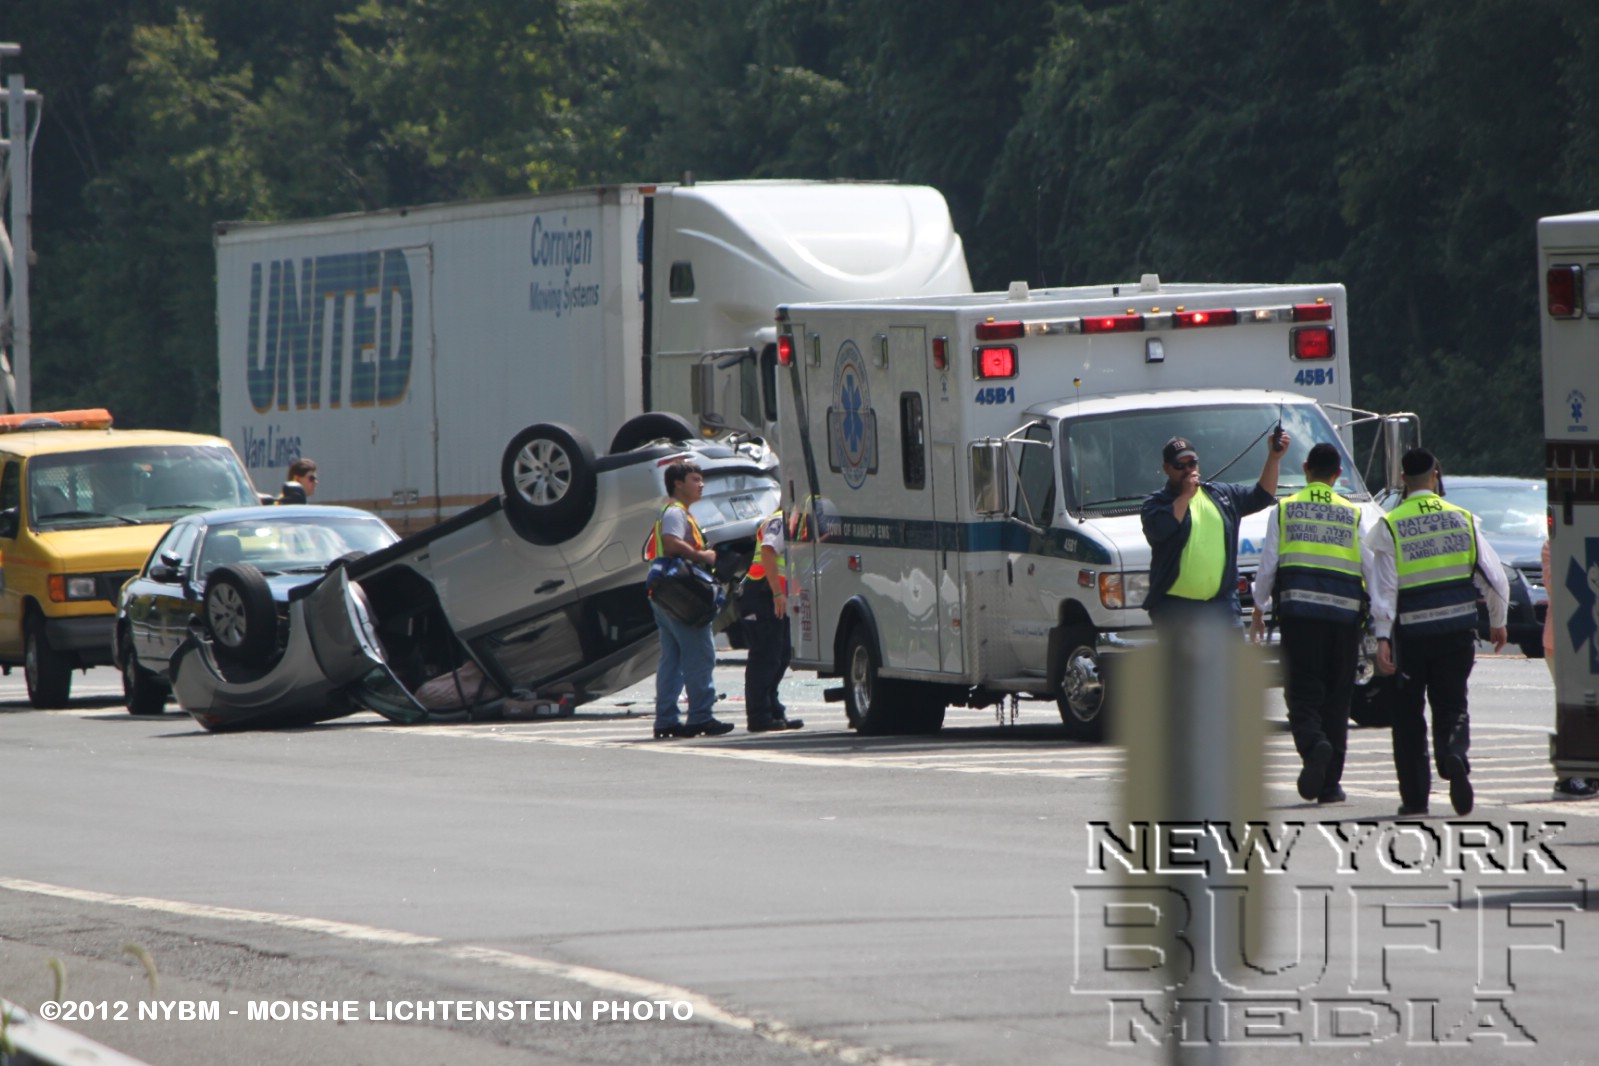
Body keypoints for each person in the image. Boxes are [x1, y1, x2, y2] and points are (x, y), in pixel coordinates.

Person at [1371, 447, 1508, 817]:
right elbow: (1495, 578)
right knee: (1451, 703)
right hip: (1457, 633)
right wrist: (1497, 621)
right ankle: (1453, 756)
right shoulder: (1463, 518)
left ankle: (1415, 799)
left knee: (1408, 715)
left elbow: (1384, 589)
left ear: (1403, 479)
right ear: (1436, 475)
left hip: (1411, 637)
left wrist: (1382, 637)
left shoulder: (1389, 524)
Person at [1250, 442, 1379, 805]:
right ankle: (1330, 786)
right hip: (1344, 622)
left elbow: (1268, 565)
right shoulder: (1353, 514)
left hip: (1300, 619)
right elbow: (1371, 568)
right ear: (1338, 475)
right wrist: (1383, 620)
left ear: (1306, 469)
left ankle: (1313, 744)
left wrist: (1259, 609)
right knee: (1338, 699)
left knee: (1302, 695)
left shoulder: (1285, 510)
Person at [1141, 428, 1290, 627]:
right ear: (1167, 468)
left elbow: (1262, 495)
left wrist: (1274, 458)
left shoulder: (1221, 495)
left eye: (1192, 463)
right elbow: (1160, 529)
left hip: (1222, 607)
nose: (1188, 470)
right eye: (1180, 465)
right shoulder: (1156, 503)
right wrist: (1186, 495)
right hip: (1176, 610)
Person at [646, 461, 734, 739]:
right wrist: (704, 556)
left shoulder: (677, 512)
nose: (701, 484)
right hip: (679, 593)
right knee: (700, 654)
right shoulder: (675, 512)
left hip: (664, 591)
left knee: (671, 658)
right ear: (678, 484)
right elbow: (671, 542)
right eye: (695, 479)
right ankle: (700, 717)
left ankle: (667, 720)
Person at [738, 508, 803, 732]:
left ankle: (773, 710)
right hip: (762, 595)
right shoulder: (779, 521)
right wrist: (777, 592)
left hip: (774, 597)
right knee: (765, 657)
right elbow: (768, 551)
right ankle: (759, 717)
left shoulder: (793, 521)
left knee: (780, 655)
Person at [1545, 538, 1598, 797]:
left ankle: (1587, 773)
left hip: (1580, 640)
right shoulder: (1557, 543)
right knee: (1575, 710)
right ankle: (1569, 778)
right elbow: (1560, 587)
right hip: (1567, 642)